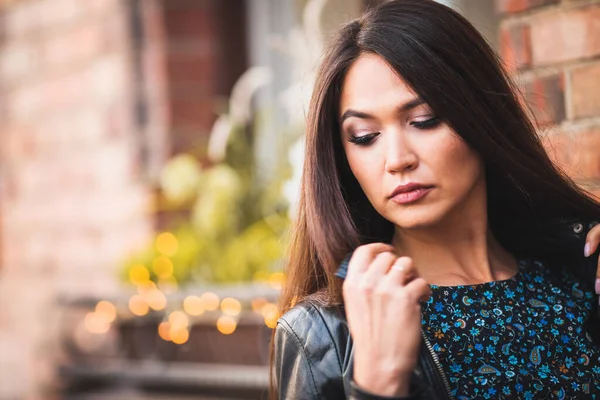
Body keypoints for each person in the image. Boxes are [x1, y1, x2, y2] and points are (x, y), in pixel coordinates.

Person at [271, 0, 600, 399]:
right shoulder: (322, 335)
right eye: (364, 137)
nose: (397, 160)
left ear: (481, 115)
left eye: (423, 120)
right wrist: (376, 383)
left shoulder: (580, 277)